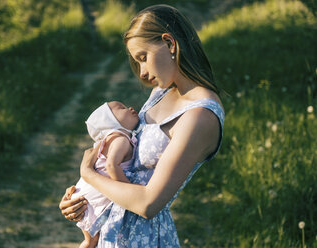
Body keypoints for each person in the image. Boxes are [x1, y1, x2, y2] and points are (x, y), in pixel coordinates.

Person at [59, 4, 225, 247]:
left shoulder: (200, 115)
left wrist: (89, 175)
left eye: (143, 58)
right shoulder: (162, 92)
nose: (143, 73)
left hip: (144, 239)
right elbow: (126, 158)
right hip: (110, 231)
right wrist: (83, 200)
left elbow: (148, 203)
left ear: (170, 43)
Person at [66, 101, 139, 248]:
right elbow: (111, 166)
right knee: (92, 241)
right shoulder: (120, 139)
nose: (130, 108)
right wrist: (130, 191)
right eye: (121, 108)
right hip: (91, 199)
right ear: (110, 121)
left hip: (85, 194)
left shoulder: (111, 140)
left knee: (90, 241)